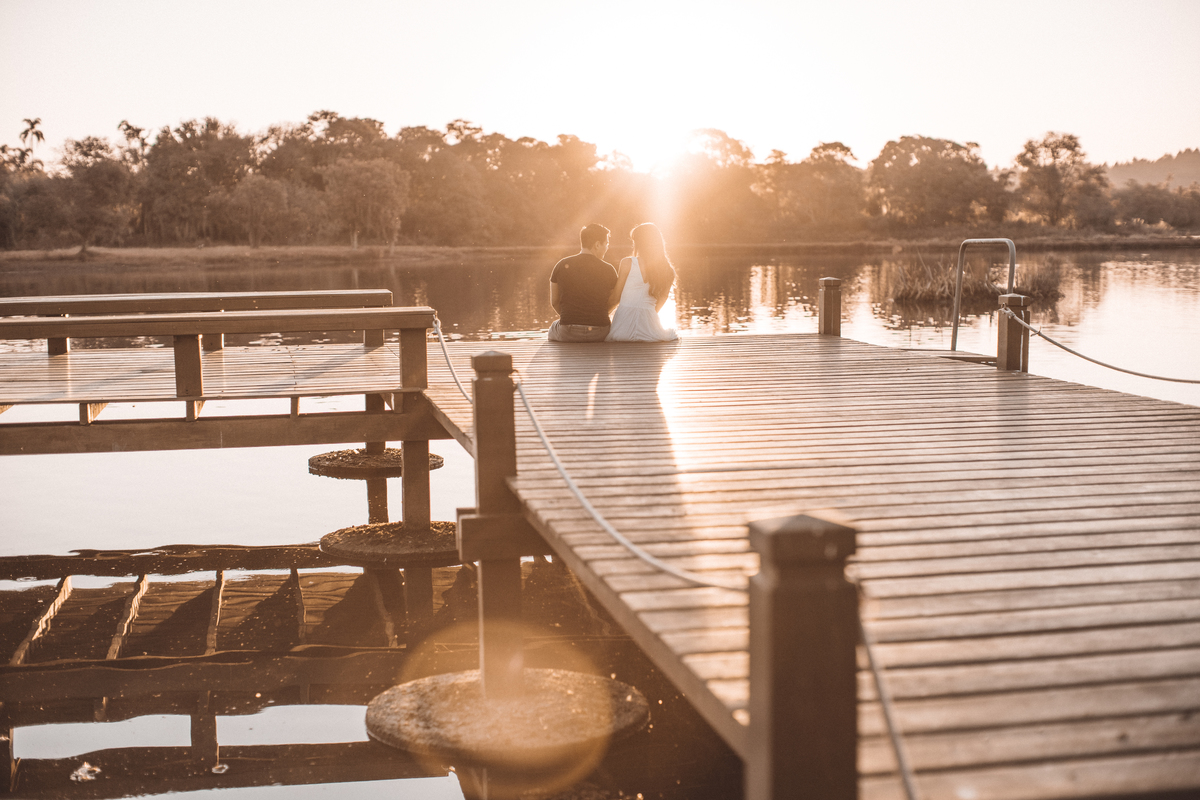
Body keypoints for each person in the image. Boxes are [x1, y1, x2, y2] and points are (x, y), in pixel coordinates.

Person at [606, 222, 679, 342]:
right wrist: (647, 316)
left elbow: (615, 298)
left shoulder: (627, 263)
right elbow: (662, 300)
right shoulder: (668, 270)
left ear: (639, 243)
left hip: (621, 331)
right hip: (650, 332)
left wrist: (603, 314)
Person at [548, 224, 618, 342]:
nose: (607, 247)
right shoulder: (609, 269)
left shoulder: (561, 265)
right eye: (606, 244)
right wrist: (595, 315)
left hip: (568, 332)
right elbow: (613, 301)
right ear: (597, 244)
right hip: (600, 332)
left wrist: (573, 320)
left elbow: (554, 302)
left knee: (553, 327)